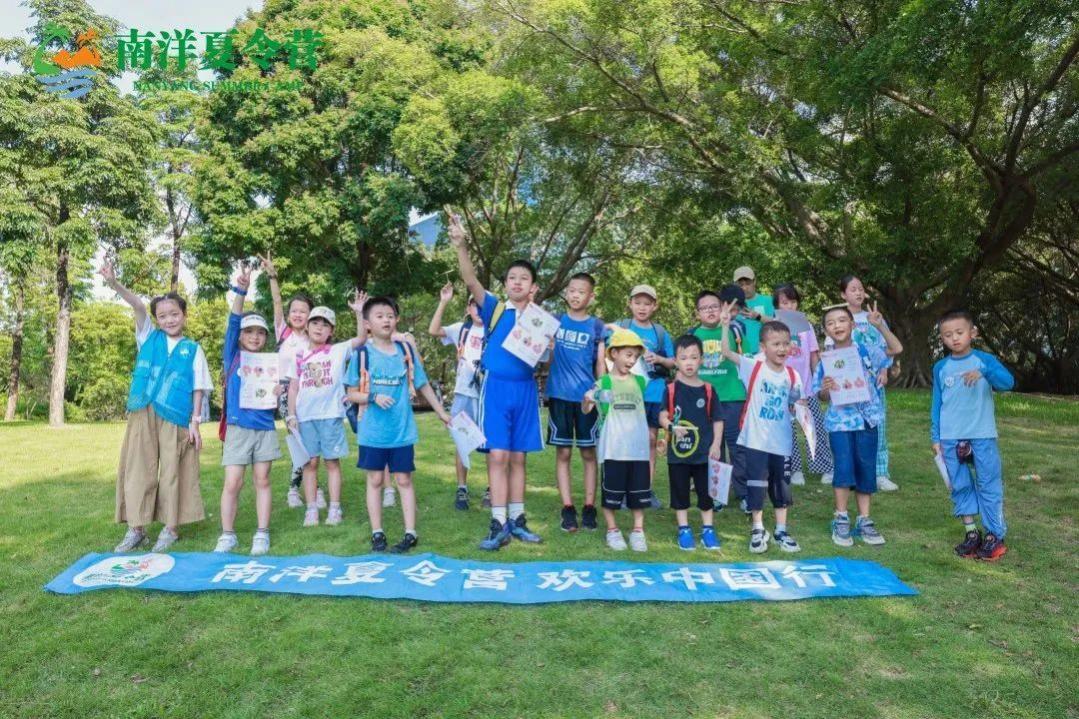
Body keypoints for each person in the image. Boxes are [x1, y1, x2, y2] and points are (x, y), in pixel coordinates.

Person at [448, 213, 545, 550]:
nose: (517, 282)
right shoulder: (495, 308)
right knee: (498, 456)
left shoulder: (542, 321)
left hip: (525, 391)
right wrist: (461, 246)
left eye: (524, 278)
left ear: (533, 287)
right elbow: (470, 279)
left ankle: (518, 520)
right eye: (511, 278)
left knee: (519, 458)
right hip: (496, 388)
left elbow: (546, 358)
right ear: (505, 284)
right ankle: (498, 521)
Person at [101, 261, 212, 553]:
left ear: (184, 316)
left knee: (174, 472)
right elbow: (137, 305)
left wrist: (196, 422)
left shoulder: (193, 349)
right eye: (163, 315)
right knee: (138, 468)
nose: (169, 319)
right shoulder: (148, 336)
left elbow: (199, 388)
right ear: (156, 319)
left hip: (176, 415)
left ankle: (171, 528)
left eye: (175, 314)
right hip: (144, 410)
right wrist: (114, 283)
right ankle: (136, 529)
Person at [347, 296, 453, 554]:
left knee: (404, 480)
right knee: (374, 480)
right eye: (379, 315)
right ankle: (377, 533)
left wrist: (441, 412)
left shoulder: (405, 352)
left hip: (402, 431)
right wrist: (372, 397)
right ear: (367, 323)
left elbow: (423, 384)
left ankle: (410, 533)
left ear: (396, 320)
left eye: (390, 315)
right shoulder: (361, 355)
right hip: (372, 432)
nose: (386, 319)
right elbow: (351, 393)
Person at [814, 304, 901, 547]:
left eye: (842, 320)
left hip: (867, 420)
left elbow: (896, 348)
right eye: (831, 323)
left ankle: (865, 520)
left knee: (866, 469)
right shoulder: (826, 359)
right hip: (840, 423)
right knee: (843, 468)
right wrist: (825, 388)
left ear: (852, 325)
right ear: (825, 330)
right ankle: (841, 518)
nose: (837, 326)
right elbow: (820, 395)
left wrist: (879, 325)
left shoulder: (867, 350)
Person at [719, 304, 803, 554]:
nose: (781, 348)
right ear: (763, 348)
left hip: (782, 442)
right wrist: (725, 325)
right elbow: (725, 352)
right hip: (756, 441)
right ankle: (757, 528)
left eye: (785, 343)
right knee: (756, 484)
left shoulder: (792, 374)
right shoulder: (752, 366)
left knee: (781, 486)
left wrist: (800, 409)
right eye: (775, 344)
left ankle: (780, 530)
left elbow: (797, 403)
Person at [932, 309, 1015, 561]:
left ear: (973, 332)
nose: (954, 338)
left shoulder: (985, 360)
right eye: (948, 335)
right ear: (942, 339)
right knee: (959, 484)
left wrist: (985, 373)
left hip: (982, 435)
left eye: (959, 332)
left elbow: (1008, 383)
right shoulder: (941, 367)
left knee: (988, 483)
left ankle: (994, 536)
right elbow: (937, 403)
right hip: (950, 437)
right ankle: (971, 533)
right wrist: (935, 437)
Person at [214, 264, 281, 555]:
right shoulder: (233, 355)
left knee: (262, 480)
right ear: (241, 336)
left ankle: (262, 533)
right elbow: (232, 321)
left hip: (264, 427)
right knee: (233, 482)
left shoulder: (269, 362)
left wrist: (279, 392)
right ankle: (227, 535)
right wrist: (241, 290)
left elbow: (277, 392)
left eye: (260, 333)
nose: (254, 337)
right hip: (239, 428)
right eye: (249, 332)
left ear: (266, 338)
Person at [285, 294, 367, 527]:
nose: (319, 328)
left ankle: (334, 508)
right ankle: (311, 509)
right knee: (310, 464)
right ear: (307, 326)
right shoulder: (298, 354)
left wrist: (359, 312)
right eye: (315, 322)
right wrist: (291, 415)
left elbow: (361, 338)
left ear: (331, 331)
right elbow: (293, 387)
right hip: (305, 417)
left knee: (332, 462)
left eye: (325, 325)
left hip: (331, 416)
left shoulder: (338, 350)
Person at [260, 253, 324, 511]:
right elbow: (276, 301)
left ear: (310, 315)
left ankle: (313, 487)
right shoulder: (283, 332)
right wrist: (273, 276)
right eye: (294, 311)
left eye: (303, 311)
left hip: (310, 392)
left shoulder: (315, 339)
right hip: (287, 392)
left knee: (313, 442)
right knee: (298, 439)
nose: (298, 314)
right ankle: (295, 490)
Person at [546, 272, 606, 532]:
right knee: (564, 452)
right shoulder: (555, 322)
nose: (575, 295)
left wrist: (599, 391)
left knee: (588, 453)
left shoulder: (596, 326)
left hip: (586, 399)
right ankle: (568, 507)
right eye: (571, 290)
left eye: (581, 291)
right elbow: (540, 350)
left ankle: (590, 507)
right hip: (559, 396)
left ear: (590, 297)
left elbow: (601, 363)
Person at [583, 329, 651, 552]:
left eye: (635, 356)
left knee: (638, 493)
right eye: (628, 355)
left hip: (638, 449)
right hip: (613, 448)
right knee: (611, 493)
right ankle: (612, 530)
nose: (631, 361)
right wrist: (587, 400)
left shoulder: (641, 382)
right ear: (614, 354)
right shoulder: (603, 383)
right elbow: (586, 409)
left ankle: (638, 530)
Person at [609, 284, 676, 504]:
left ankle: (644, 489)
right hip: (626, 395)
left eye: (647, 303)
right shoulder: (622, 326)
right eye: (637, 302)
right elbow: (608, 354)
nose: (642, 307)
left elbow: (673, 361)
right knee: (626, 441)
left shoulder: (660, 331)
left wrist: (658, 359)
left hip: (654, 394)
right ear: (630, 303)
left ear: (654, 306)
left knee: (650, 441)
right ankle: (624, 489)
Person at [836, 275, 903, 490]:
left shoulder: (874, 317)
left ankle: (880, 472)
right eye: (852, 289)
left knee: (878, 427)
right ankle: (854, 472)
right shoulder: (839, 319)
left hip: (874, 383)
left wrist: (884, 369)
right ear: (843, 294)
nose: (858, 293)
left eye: (861, 289)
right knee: (850, 429)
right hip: (849, 385)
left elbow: (885, 346)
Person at [428, 281, 490, 510]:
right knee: (462, 440)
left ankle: (492, 487)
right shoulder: (461, 329)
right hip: (464, 392)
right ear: (468, 308)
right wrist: (443, 302)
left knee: (491, 441)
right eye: (475, 305)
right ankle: (462, 488)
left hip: (488, 393)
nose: (479, 310)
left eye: (483, 306)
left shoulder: (495, 331)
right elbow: (433, 331)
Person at [658, 335, 723, 551]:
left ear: (701, 360)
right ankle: (683, 528)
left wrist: (715, 445)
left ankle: (708, 529)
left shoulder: (709, 389)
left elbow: (718, 420)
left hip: (704, 453)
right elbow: (662, 416)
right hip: (678, 454)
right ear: (675, 360)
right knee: (680, 491)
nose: (689, 362)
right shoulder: (670, 389)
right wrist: (670, 428)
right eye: (683, 358)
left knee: (706, 493)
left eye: (694, 357)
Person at [690, 286, 749, 511]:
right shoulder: (694, 335)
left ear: (723, 307)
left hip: (733, 397)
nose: (710, 311)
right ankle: (717, 494)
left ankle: (743, 493)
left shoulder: (735, 331)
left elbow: (744, 360)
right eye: (704, 308)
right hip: (706, 400)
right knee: (713, 448)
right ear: (698, 313)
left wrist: (725, 327)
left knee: (737, 447)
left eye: (714, 306)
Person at [773, 283, 833, 485]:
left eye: (791, 302)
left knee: (814, 428)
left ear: (797, 304)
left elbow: (813, 356)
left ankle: (825, 467)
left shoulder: (806, 327)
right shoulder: (773, 329)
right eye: (783, 303)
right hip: (783, 390)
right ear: (777, 307)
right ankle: (795, 470)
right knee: (787, 430)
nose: (788, 306)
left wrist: (818, 382)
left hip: (807, 387)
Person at [732, 266, 774, 356]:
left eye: (748, 283)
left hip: (763, 353)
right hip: (739, 354)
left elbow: (777, 324)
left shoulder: (768, 300)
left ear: (754, 281)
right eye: (740, 284)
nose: (744, 288)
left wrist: (758, 317)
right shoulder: (732, 304)